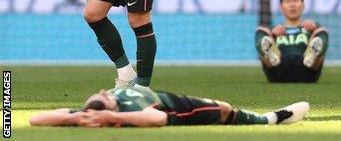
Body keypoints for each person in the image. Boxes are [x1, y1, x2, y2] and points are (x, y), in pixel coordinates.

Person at [29, 86, 309, 127]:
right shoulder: (112, 106)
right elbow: (35, 120)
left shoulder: (117, 101)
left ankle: (268, 118)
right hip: (174, 103)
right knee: (223, 109)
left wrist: (109, 114)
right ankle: (270, 118)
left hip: (171, 99)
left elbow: (157, 119)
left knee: (224, 108)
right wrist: (75, 118)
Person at [255, 0, 329, 83]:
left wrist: (316, 27)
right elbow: (263, 34)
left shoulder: (311, 28)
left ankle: (311, 54)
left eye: (295, 0)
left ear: (303, 5)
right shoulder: (273, 30)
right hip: (277, 68)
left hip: (307, 69)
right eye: (287, 1)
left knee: (321, 31)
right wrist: (272, 35)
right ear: (281, 7)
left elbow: (321, 33)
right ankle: (272, 54)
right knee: (261, 32)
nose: (292, 5)